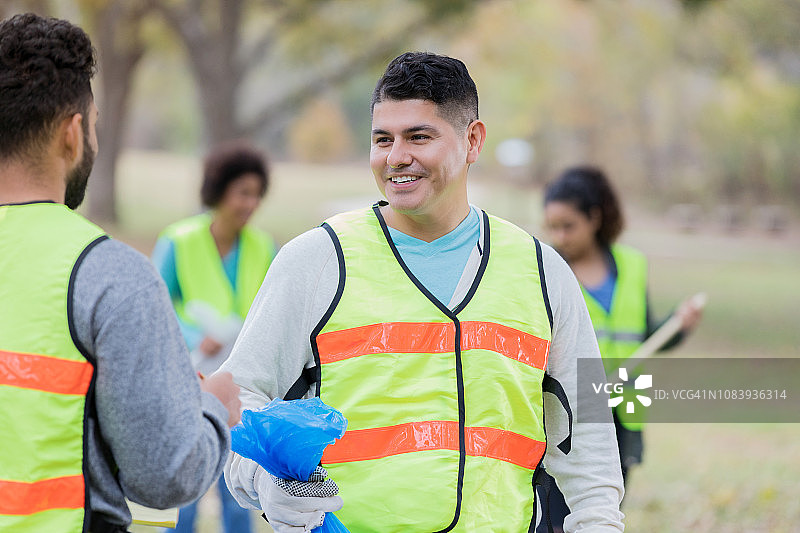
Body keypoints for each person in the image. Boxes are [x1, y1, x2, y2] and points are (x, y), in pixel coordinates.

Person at [221, 52, 625, 532]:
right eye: (382, 139)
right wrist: (268, 482)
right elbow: (236, 398)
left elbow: (592, 451)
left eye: (418, 136)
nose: (396, 157)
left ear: (472, 140)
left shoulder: (543, 272)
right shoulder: (317, 260)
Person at [0, 13, 241, 533]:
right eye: (93, 125)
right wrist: (212, 408)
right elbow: (165, 475)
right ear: (72, 133)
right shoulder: (108, 275)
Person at [538, 165, 703, 532]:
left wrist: (679, 325)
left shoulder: (631, 266)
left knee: (603, 512)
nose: (558, 236)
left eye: (568, 226)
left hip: (624, 410)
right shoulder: (547, 270)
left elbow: (643, 335)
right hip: (571, 411)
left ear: (594, 217)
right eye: (552, 227)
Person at [152, 140, 277, 533]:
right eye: (243, 193)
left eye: (257, 195)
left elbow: (272, 311)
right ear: (219, 191)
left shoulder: (264, 247)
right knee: (188, 492)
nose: (250, 204)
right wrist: (193, 336)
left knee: (238, 494)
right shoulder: (178, 241)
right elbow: (156, 305)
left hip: (242, 386)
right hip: (191, 380)